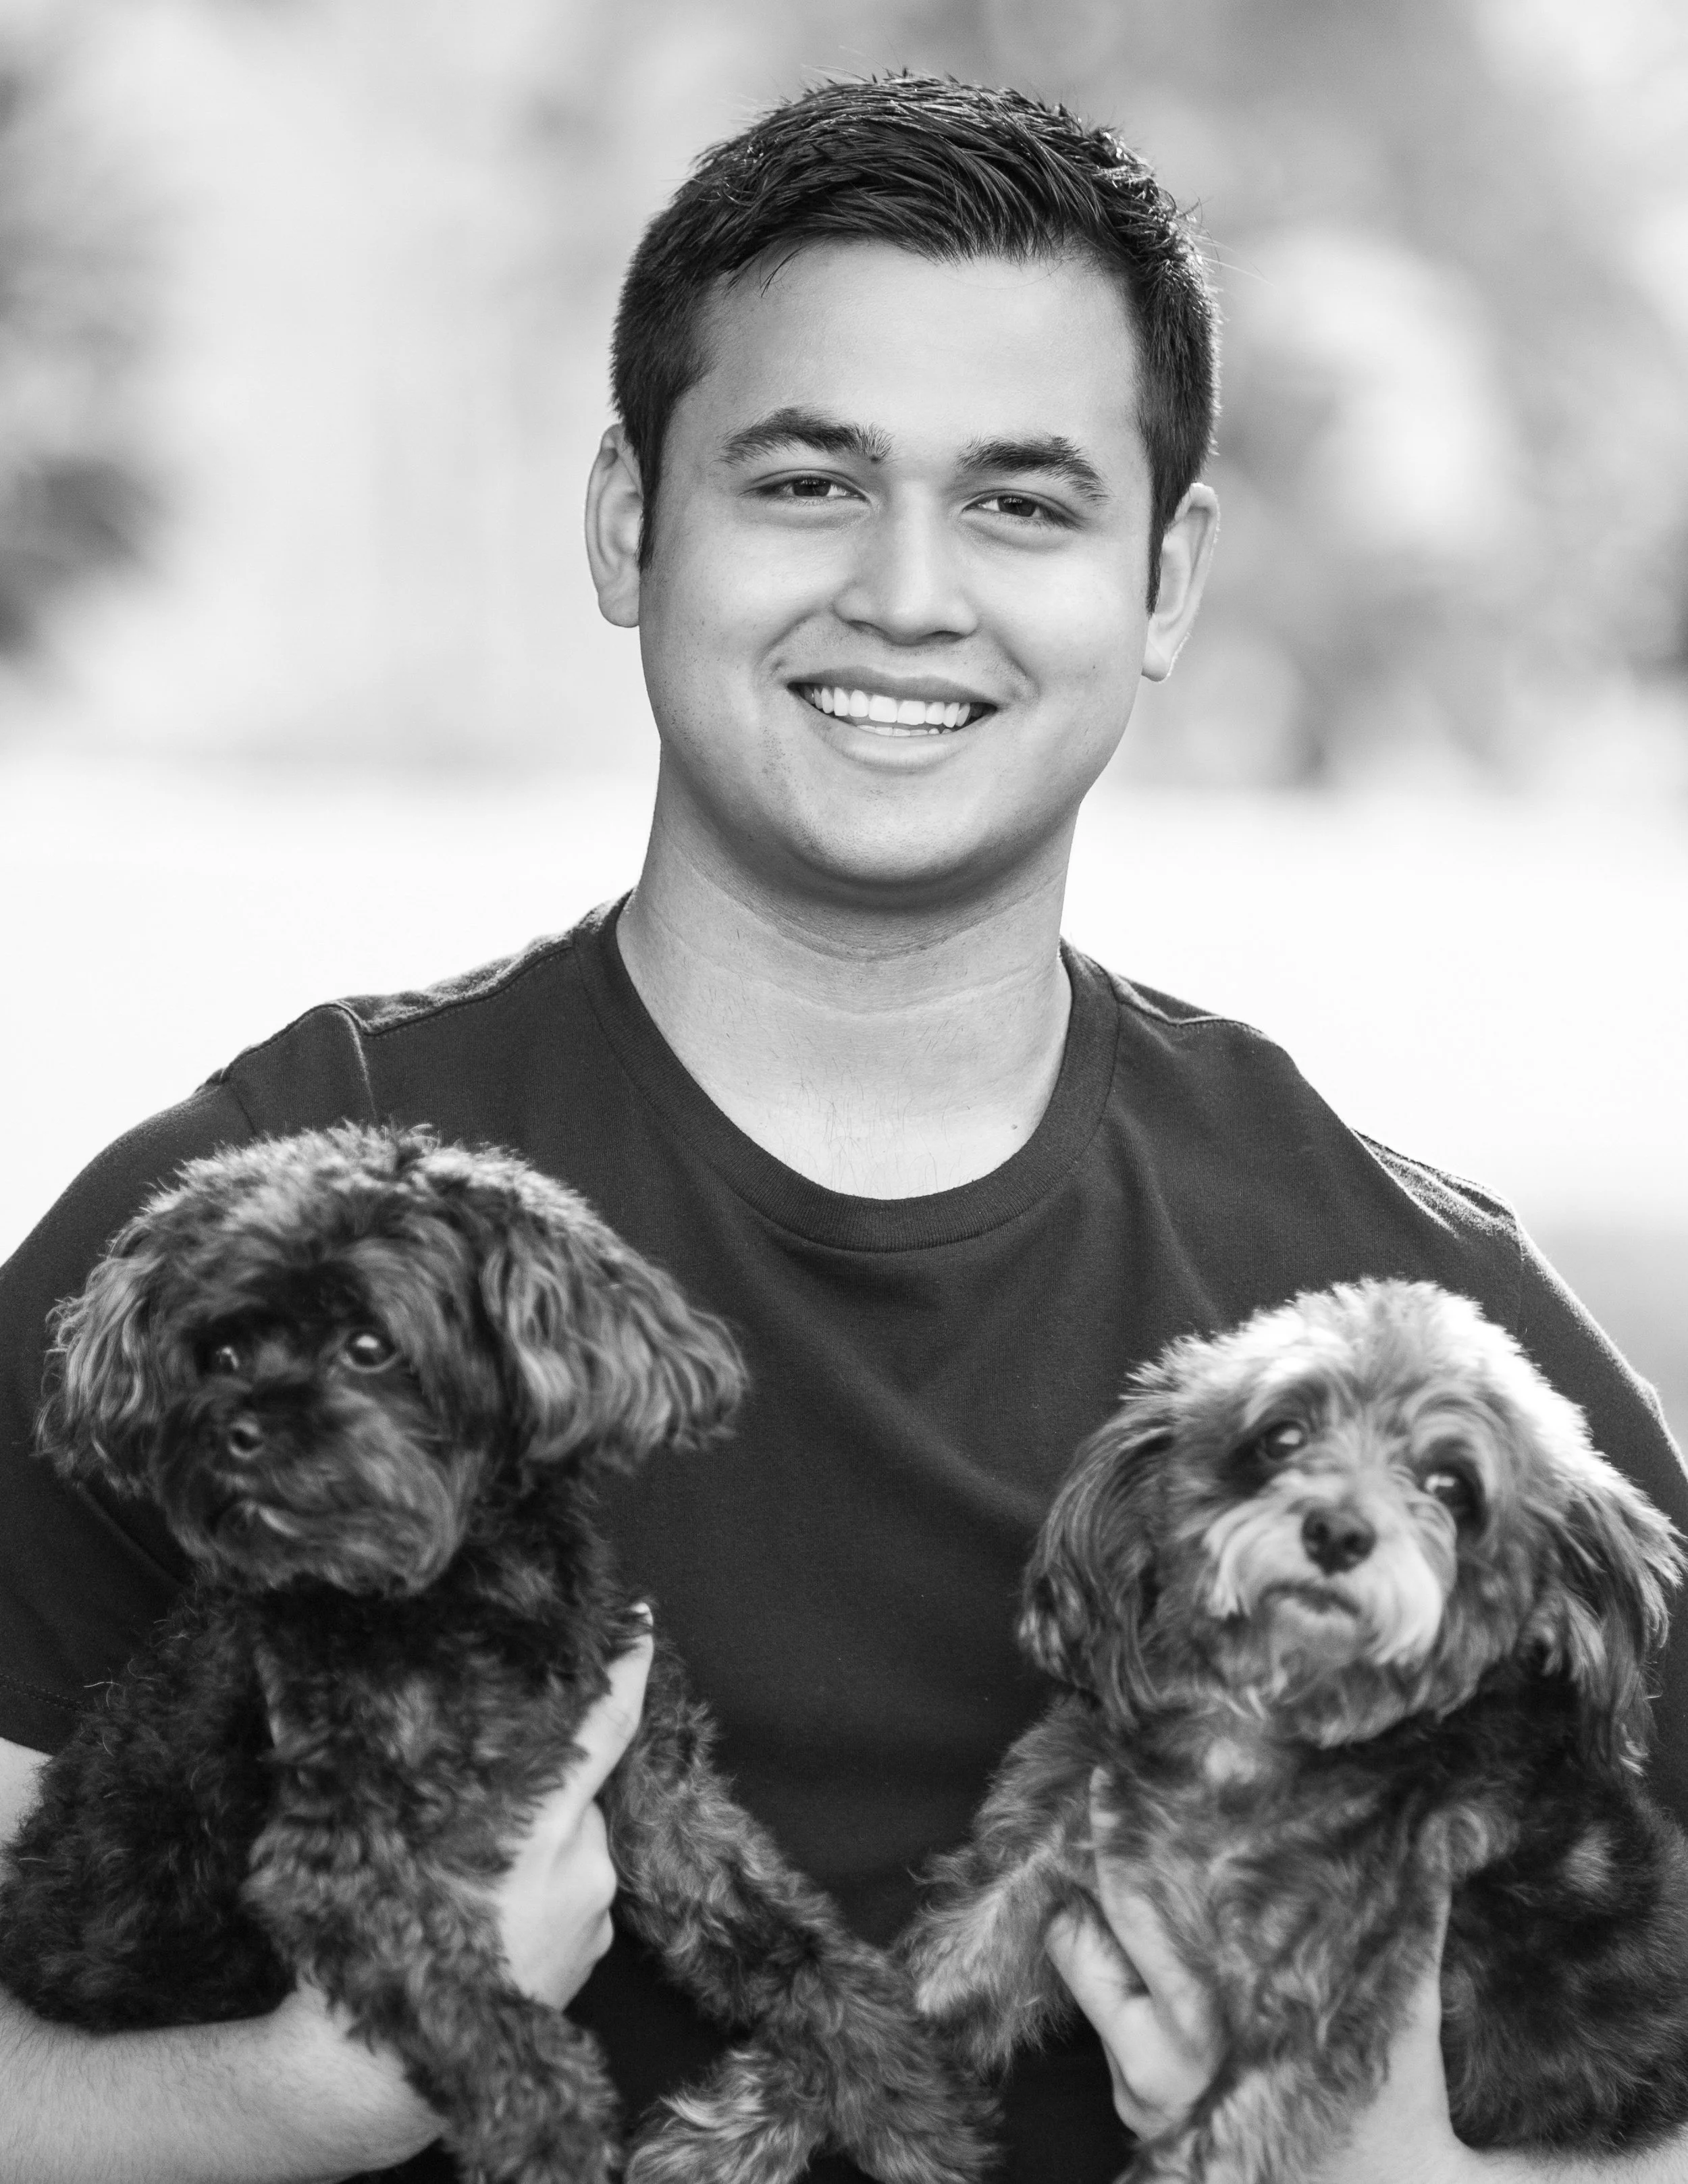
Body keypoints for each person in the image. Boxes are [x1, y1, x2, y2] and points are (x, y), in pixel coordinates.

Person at [1, 72, 1685, 2184]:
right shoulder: (252, 1238)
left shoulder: (1413, 1319)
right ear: (629, 524)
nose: (904, 592)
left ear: (1165, 579)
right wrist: (285, 2102)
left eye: (1021, 504)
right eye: (807, 481)